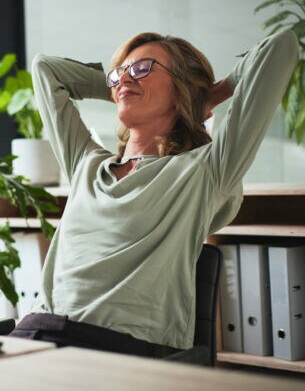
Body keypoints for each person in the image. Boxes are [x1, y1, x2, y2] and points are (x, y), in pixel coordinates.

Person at [10, 29, 298, 359]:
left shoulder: (203, 171)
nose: (124, 79)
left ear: (181, 90)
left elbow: (282, 46)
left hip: (116, 350)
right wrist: (122, 88)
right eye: (120, 72)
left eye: (143, 68)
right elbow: (45, 68)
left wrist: (208, 94)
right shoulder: (85, 164)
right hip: (35, 333)